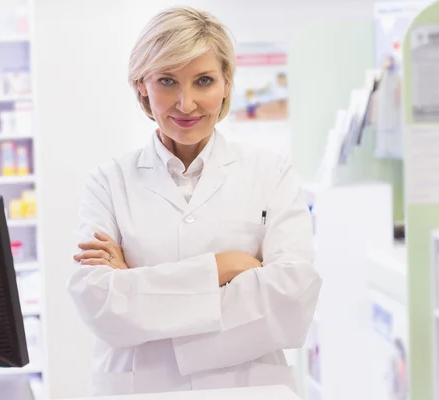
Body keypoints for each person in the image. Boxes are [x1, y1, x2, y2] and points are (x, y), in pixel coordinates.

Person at [68, 6, 321, 396]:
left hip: (248, 387)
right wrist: (226, 267)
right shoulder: (108, 182)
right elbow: (101, 306)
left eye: (203, 81)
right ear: (142, 86)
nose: (186, 104)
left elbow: (291, 300)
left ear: (225, 84)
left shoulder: (271, 172)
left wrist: (138, 292)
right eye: (167, 81)